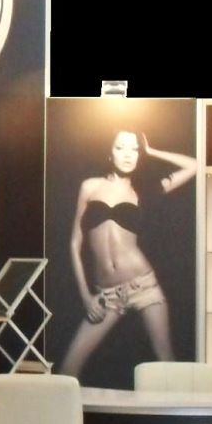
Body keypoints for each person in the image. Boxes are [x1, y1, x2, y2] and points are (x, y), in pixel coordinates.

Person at [59, 130, 197, 381]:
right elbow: (74, 242)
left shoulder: (143, 190)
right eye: (121, 147)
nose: (128, 154)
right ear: (109, 152)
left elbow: (194, 165)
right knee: (68, 370)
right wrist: (86, 297)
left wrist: (152, 151)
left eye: (134, 149)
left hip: (143, 285)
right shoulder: (90, 186)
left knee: (166, 362)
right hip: (107, 295)